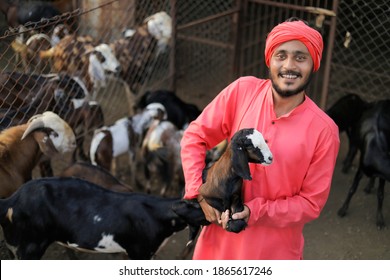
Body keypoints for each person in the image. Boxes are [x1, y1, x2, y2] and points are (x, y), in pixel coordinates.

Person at [180, 18, 340, 260]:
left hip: (275, 252)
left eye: (300, 57)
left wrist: (255, 211)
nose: (289, 65)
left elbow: (310, 203)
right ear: (269, 59)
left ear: (313, 64)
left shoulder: (324, 131)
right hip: (216, 248)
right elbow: (195, 136)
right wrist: (199, 191)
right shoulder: (242, 92)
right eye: (281, 55)